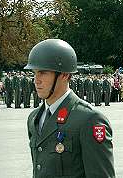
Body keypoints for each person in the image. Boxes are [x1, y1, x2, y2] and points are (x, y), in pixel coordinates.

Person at [18, 39, 112, 178]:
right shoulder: (34, 118)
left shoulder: (89, 120)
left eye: (43, 73)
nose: (36, 80)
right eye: (34, 73)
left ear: (64, 74)